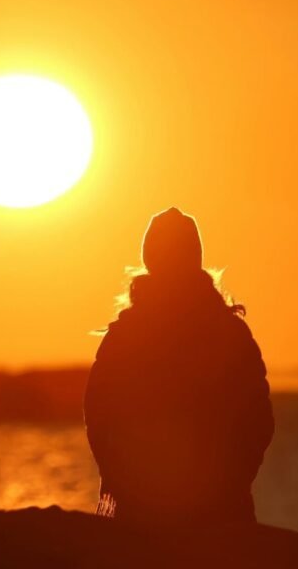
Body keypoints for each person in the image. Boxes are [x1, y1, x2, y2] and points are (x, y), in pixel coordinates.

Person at [84, 207, 274, 525]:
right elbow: (258, 421)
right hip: (218, 515)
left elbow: (100, 420)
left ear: (149, 259)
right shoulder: (231, 333)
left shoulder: (124, 336)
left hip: (146, 515)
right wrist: (231, 484)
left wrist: (126, 485)